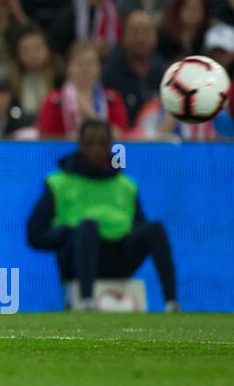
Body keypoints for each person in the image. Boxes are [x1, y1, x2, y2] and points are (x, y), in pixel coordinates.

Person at [27, 120, 180, 312]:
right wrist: (65, 232)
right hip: (76, 257)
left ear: (110, 146)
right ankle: (86, 302)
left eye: (102, 143)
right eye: (89, 143)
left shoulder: (126, 185)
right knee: (89, 226)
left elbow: (139, 226)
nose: (95, 150)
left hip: (119, 258)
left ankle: (172, 303)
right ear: (80, 144)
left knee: (155, 229)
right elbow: (34, 236)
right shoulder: (59, 182)